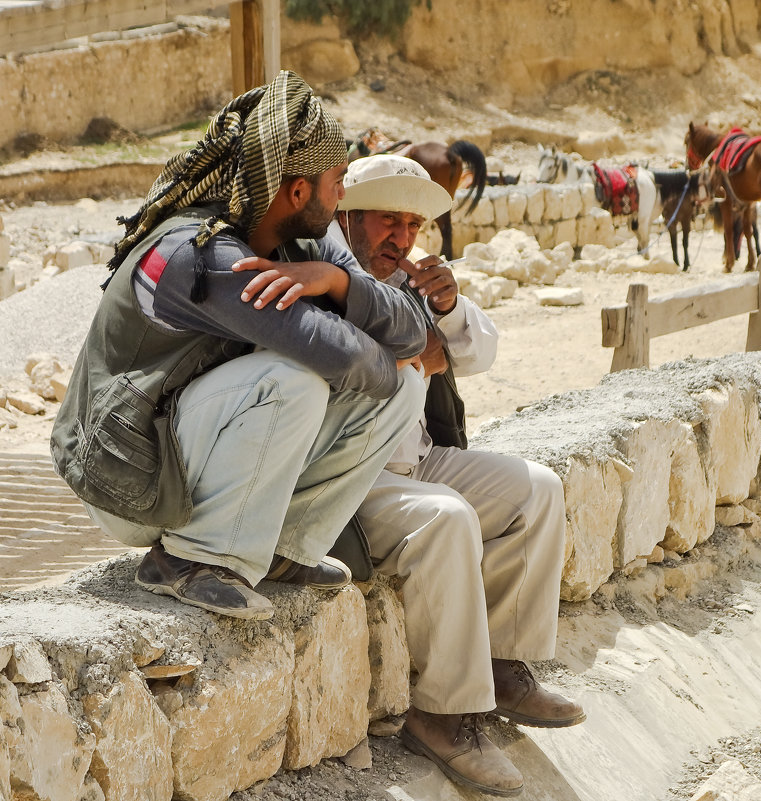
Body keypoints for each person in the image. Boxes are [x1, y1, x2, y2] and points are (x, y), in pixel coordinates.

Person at [50, 72, 427, 621]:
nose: (343, 194)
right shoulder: (202, 256)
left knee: (403, 388)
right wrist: (378, 356)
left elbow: (413, 332)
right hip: (124, 475)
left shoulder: (305, 238)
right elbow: (344, 355)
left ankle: (281, 548)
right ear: (298, 191)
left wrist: (337, 281)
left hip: (180, 447)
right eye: (336, 180)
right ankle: (186, 561)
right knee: (292, 379)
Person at [329, 154, 585, 797]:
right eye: (389, 221)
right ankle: (440, 714)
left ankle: (501, 670)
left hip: (414, 457)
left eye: (412, 224)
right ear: (348, 216)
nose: (402, 237)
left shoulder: (404, 278)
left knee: (537, 489)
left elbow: (477, 353)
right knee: (446, 518)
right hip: (351, 475)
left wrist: (448, 305)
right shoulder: (327, 273)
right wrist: (421, 351)